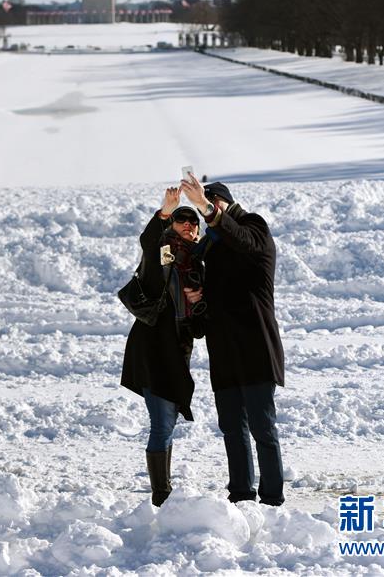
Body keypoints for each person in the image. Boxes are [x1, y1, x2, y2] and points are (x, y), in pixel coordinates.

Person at [180, 174, 285, 506]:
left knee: (262, 429)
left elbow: (244, 240)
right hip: (224, 351)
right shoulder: (212, 247)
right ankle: (241, 495)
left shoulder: (254, 227)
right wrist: (196, 302)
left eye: (211, 207)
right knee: (232, 429)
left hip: (255, 347)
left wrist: (207, 208)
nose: (206, 216)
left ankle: (272, 499)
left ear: (223, 204)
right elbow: (206, 311)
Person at [121, 188, 206, 506]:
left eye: (193, 221)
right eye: (182, 220)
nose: (188, 225)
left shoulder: (198, 266)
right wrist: (165, 212)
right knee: (161, 420)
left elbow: (199, 329)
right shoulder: (165, 255)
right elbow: (149, 246)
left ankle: (163, 491)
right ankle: (161, 494)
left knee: (167, 419)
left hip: (178, 352)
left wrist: (199, 304)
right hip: (152, 347)